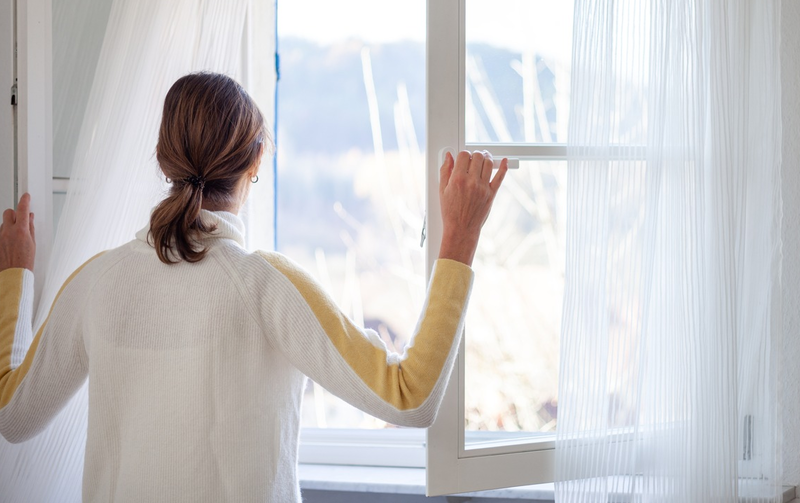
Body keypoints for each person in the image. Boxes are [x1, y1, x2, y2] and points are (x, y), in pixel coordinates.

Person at [0, 72, 507, 502]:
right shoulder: (265, 286)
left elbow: (13, 414)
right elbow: (409, 397)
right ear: (256, 162)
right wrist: (459, 240)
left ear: (161, 160)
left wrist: (15, 275)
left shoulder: (97, 281)